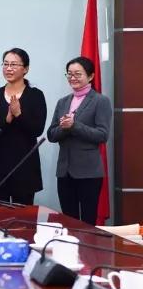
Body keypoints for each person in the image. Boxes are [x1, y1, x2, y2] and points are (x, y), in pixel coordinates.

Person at [47, 56, 112, 224]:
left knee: (87, 222)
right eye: (69, 74)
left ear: (90, 76)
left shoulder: (100, 101)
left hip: (88, 172)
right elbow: (51, 134)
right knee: (69, 221)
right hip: (64, 171)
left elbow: (102, 135)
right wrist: (64, 127)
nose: (73, 78)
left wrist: (74, 126)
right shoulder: (63, 102)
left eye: (77, 74)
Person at [0, 48, 47, 205]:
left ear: (25, 69)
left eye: (13, 64)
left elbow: (37, 129)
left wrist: (19, 115)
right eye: (5, 64)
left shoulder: (35, 95)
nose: (8, 68)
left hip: (24, 165)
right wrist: (6, 120)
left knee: (23, 216)